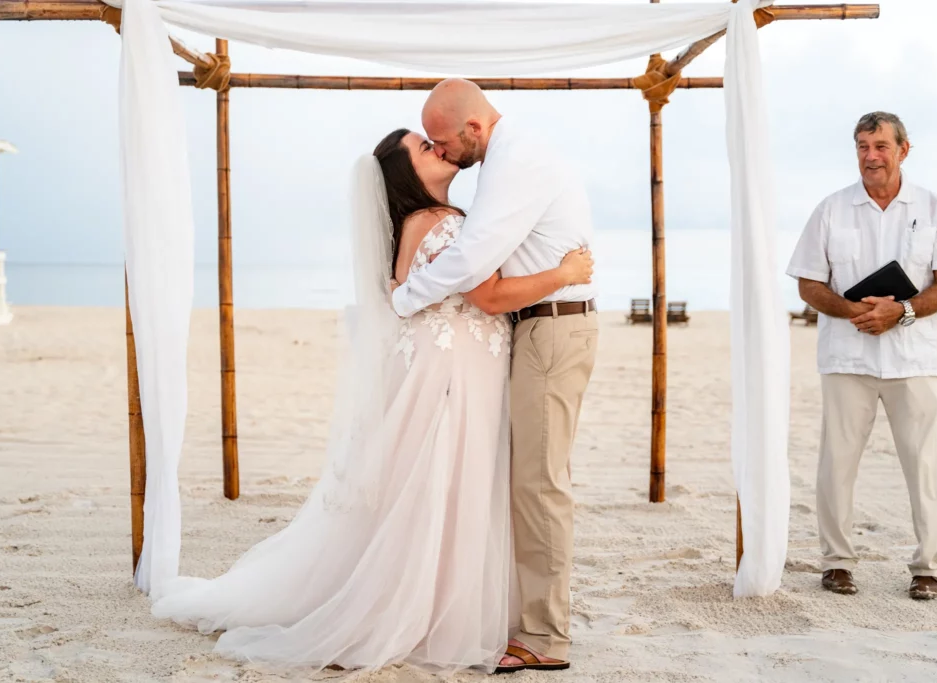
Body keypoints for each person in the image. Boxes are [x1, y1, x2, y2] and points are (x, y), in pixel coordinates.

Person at [148, 127, 593, 677]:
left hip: (441, 363)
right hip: (454, 371)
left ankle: (432, 600)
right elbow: (487, 295)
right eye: (424, 148)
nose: (439, 148)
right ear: (405, 175)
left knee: (430, 487)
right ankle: (431, 610)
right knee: (447, 485)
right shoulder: (445, 225)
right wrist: (565, 274)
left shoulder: (415, 225)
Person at [390, 79, 599, 672]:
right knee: (529, 480)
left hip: (552, 329)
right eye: (429, 145)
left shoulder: (516, 159)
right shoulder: (505, 158)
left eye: (443, 140)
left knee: (538, 484)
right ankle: (530, 620)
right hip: (539, 325)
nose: (444, 150)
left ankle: (543, 636)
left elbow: (473, 258)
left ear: (474, 128)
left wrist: (406, 301)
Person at [786, 112, 937, 600]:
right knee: (837, 461)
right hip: (847, 357)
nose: (871, 155)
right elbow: (808, 281)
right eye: (863, 146)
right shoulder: (831, 209)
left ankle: (929, 567)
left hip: (915, 358)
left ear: (903, 150)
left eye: (881, 146)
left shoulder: (936, 209)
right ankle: (836, 562)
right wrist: (853, 311)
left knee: (923, 462)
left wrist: (901, 311)